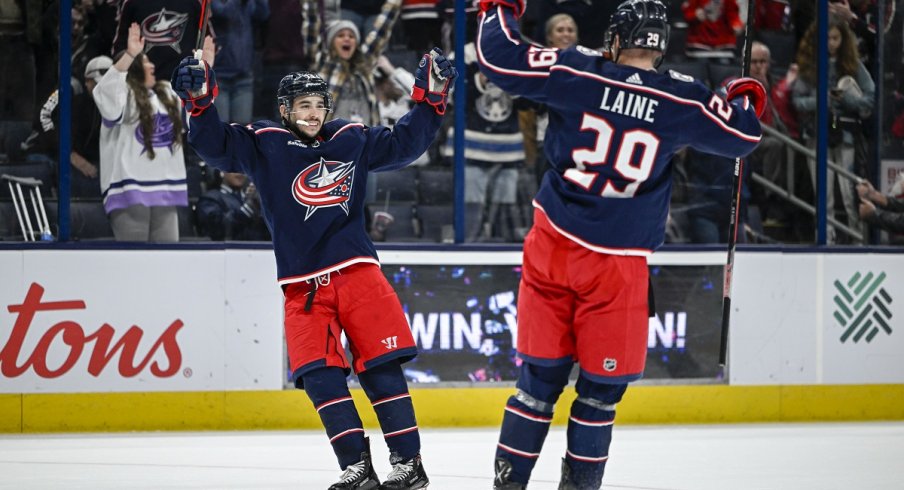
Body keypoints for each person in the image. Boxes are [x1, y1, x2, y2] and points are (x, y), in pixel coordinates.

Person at [476, 0, 764, 488]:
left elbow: (499, 56)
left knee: (536, 385)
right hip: (619, 264)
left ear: (615, 38)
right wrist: (738, 95)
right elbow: (744, 136)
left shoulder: (577, 70)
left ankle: (509, 483)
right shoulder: (683, 99)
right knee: (600, 394)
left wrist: (498, 8)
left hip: (552, 249)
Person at [171, 37, 456, 488]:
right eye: (303, 105)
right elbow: (213, 147)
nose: (312, 113)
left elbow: (405, 143)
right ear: (285, 110)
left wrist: (431, 101)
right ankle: (357, 466)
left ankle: (408, 463)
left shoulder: (351, 138)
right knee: (320, 378)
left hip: (358, 273)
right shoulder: (264, 143)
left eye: (319, 105)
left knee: (380, 369)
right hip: (303, 288)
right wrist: (200, 103)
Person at [94, 23, 188, 242]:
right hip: (129, 192)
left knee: (167, 264)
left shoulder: (166, 94)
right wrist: (130, 55)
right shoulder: (123, 96)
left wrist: (205, 67)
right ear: (135, 69)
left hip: (166, 190)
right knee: (134, 265)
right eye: (145, 62)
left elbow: (196, 103)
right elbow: (105, 90)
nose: (152, 66)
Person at [792, 16, 875, 244]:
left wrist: (846, 98)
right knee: (824, 194)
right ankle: (825, 239)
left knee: (849, 193)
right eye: (826, 38)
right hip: (817, 134)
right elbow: (798, 101)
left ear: (844, 39)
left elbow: (869, 98)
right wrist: (821, 101)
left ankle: (859, 240)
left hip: (846, 134)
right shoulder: (809, 66)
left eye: (835, 38)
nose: (830, 43)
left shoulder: (853, 65)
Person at [195, 171, 270, 241]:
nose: (239, 173)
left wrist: (264, 206)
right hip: (227, 253)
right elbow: (218, 229)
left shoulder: (252, 197)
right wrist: (248, 208)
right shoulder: (210, 198)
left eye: (242, 169)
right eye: (234, 169)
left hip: (260, 251)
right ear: (222, 170)